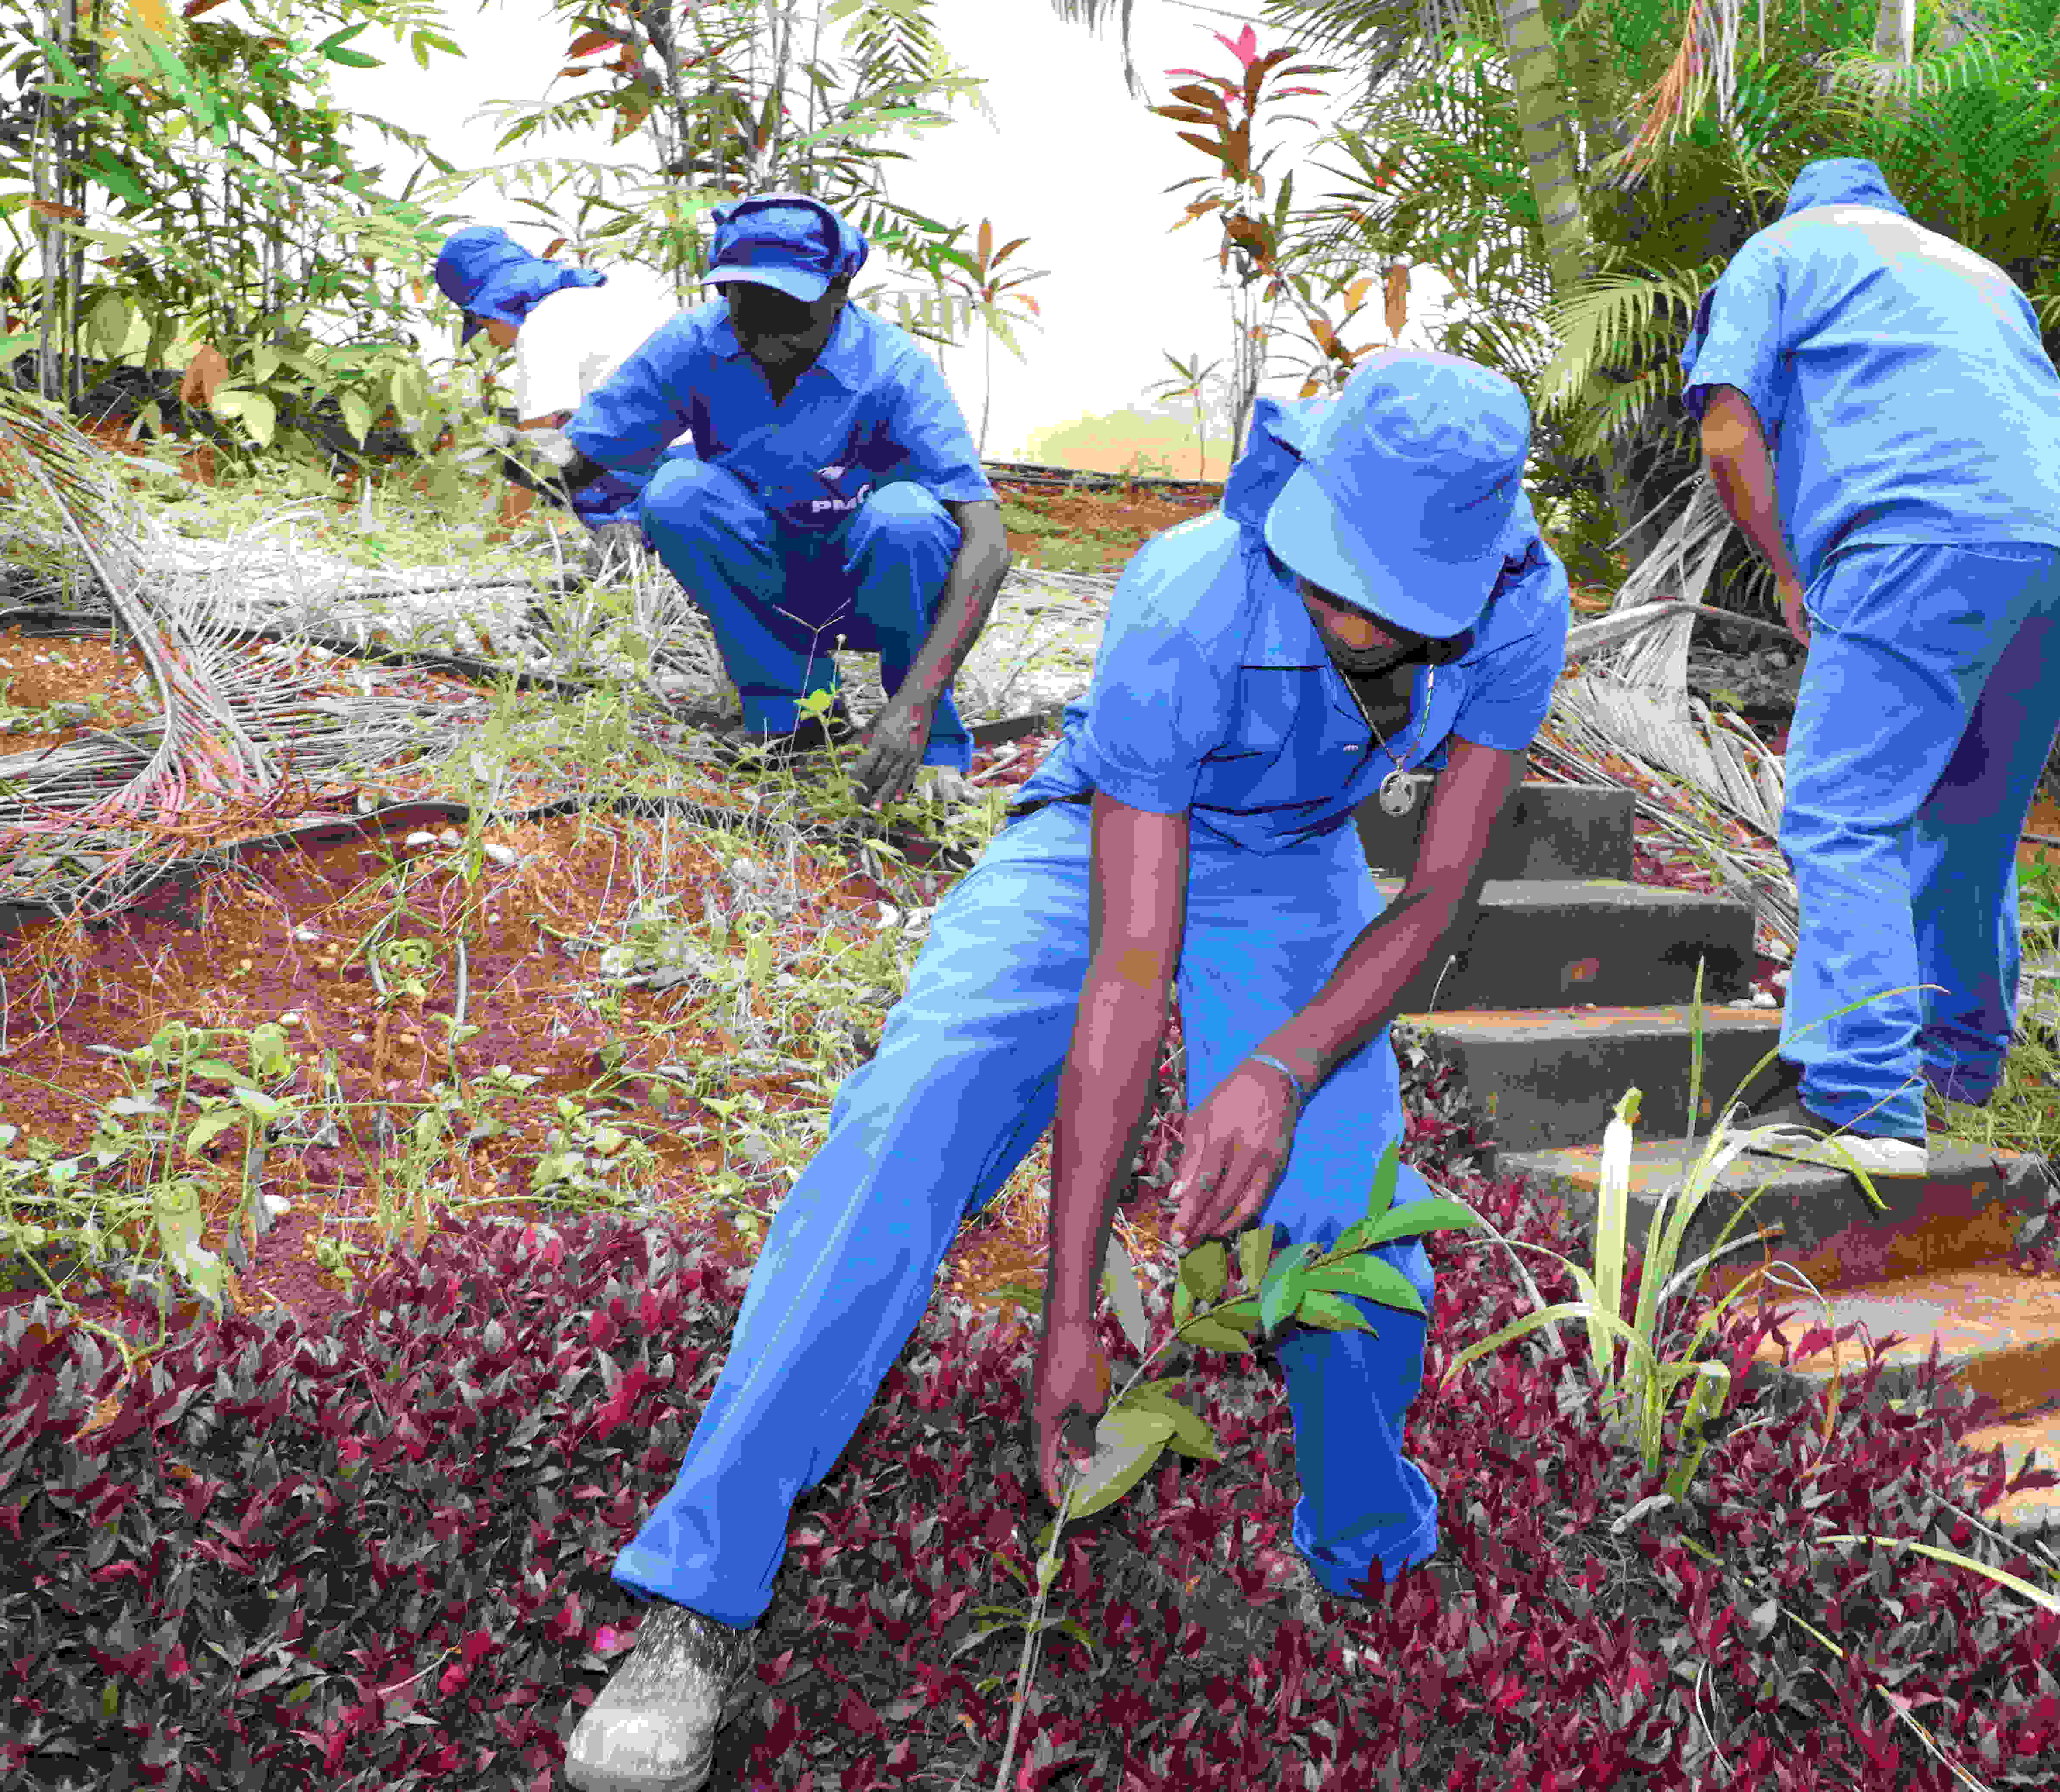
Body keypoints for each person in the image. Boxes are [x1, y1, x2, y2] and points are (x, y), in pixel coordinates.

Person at [556, 348, 1569, 1792]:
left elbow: (1436, 899)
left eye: (1393, 599)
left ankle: (1365, 1554)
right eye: (1338, 572)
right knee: (915, 1113)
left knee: (1347, 1224)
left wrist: (1281, 1070)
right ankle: (698, 1596)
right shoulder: (1190, 593)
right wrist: (1068, 1310)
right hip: (1098, 837)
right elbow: (1129, 963)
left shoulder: (1523, 614)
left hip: (1298, 877)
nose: (1351, 613)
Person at [1682, 156, 2060, 1177]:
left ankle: (1864, 1100)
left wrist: (1788, 572)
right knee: (1967, 820)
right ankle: (1955, 1066)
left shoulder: (1780, 252)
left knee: (1842, 813)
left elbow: (1728, 427)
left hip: (1914, 535)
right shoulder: (1978, 275)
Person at [530, 194, 1004, 797]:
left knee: (905, 517)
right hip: (770, 576)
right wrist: (516, 461)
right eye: (746, 304)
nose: (766, 331)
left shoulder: (892, 369)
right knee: (676, 490)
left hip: (878, 587)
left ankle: (931, 743)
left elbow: (986, 539)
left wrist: (916, 702)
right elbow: (588, 455)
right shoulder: (695, 344)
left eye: (791, 308)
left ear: (839, 290)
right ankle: (797, 713)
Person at [430, 225, 694, 577]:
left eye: (482, 325)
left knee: (530, 453)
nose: (492, 339)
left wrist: (496, 544)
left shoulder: (544, 325)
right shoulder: (608, 301)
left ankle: (625, 558)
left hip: (653, 472)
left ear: (492, 308)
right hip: (701, 460)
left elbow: (538, 459)